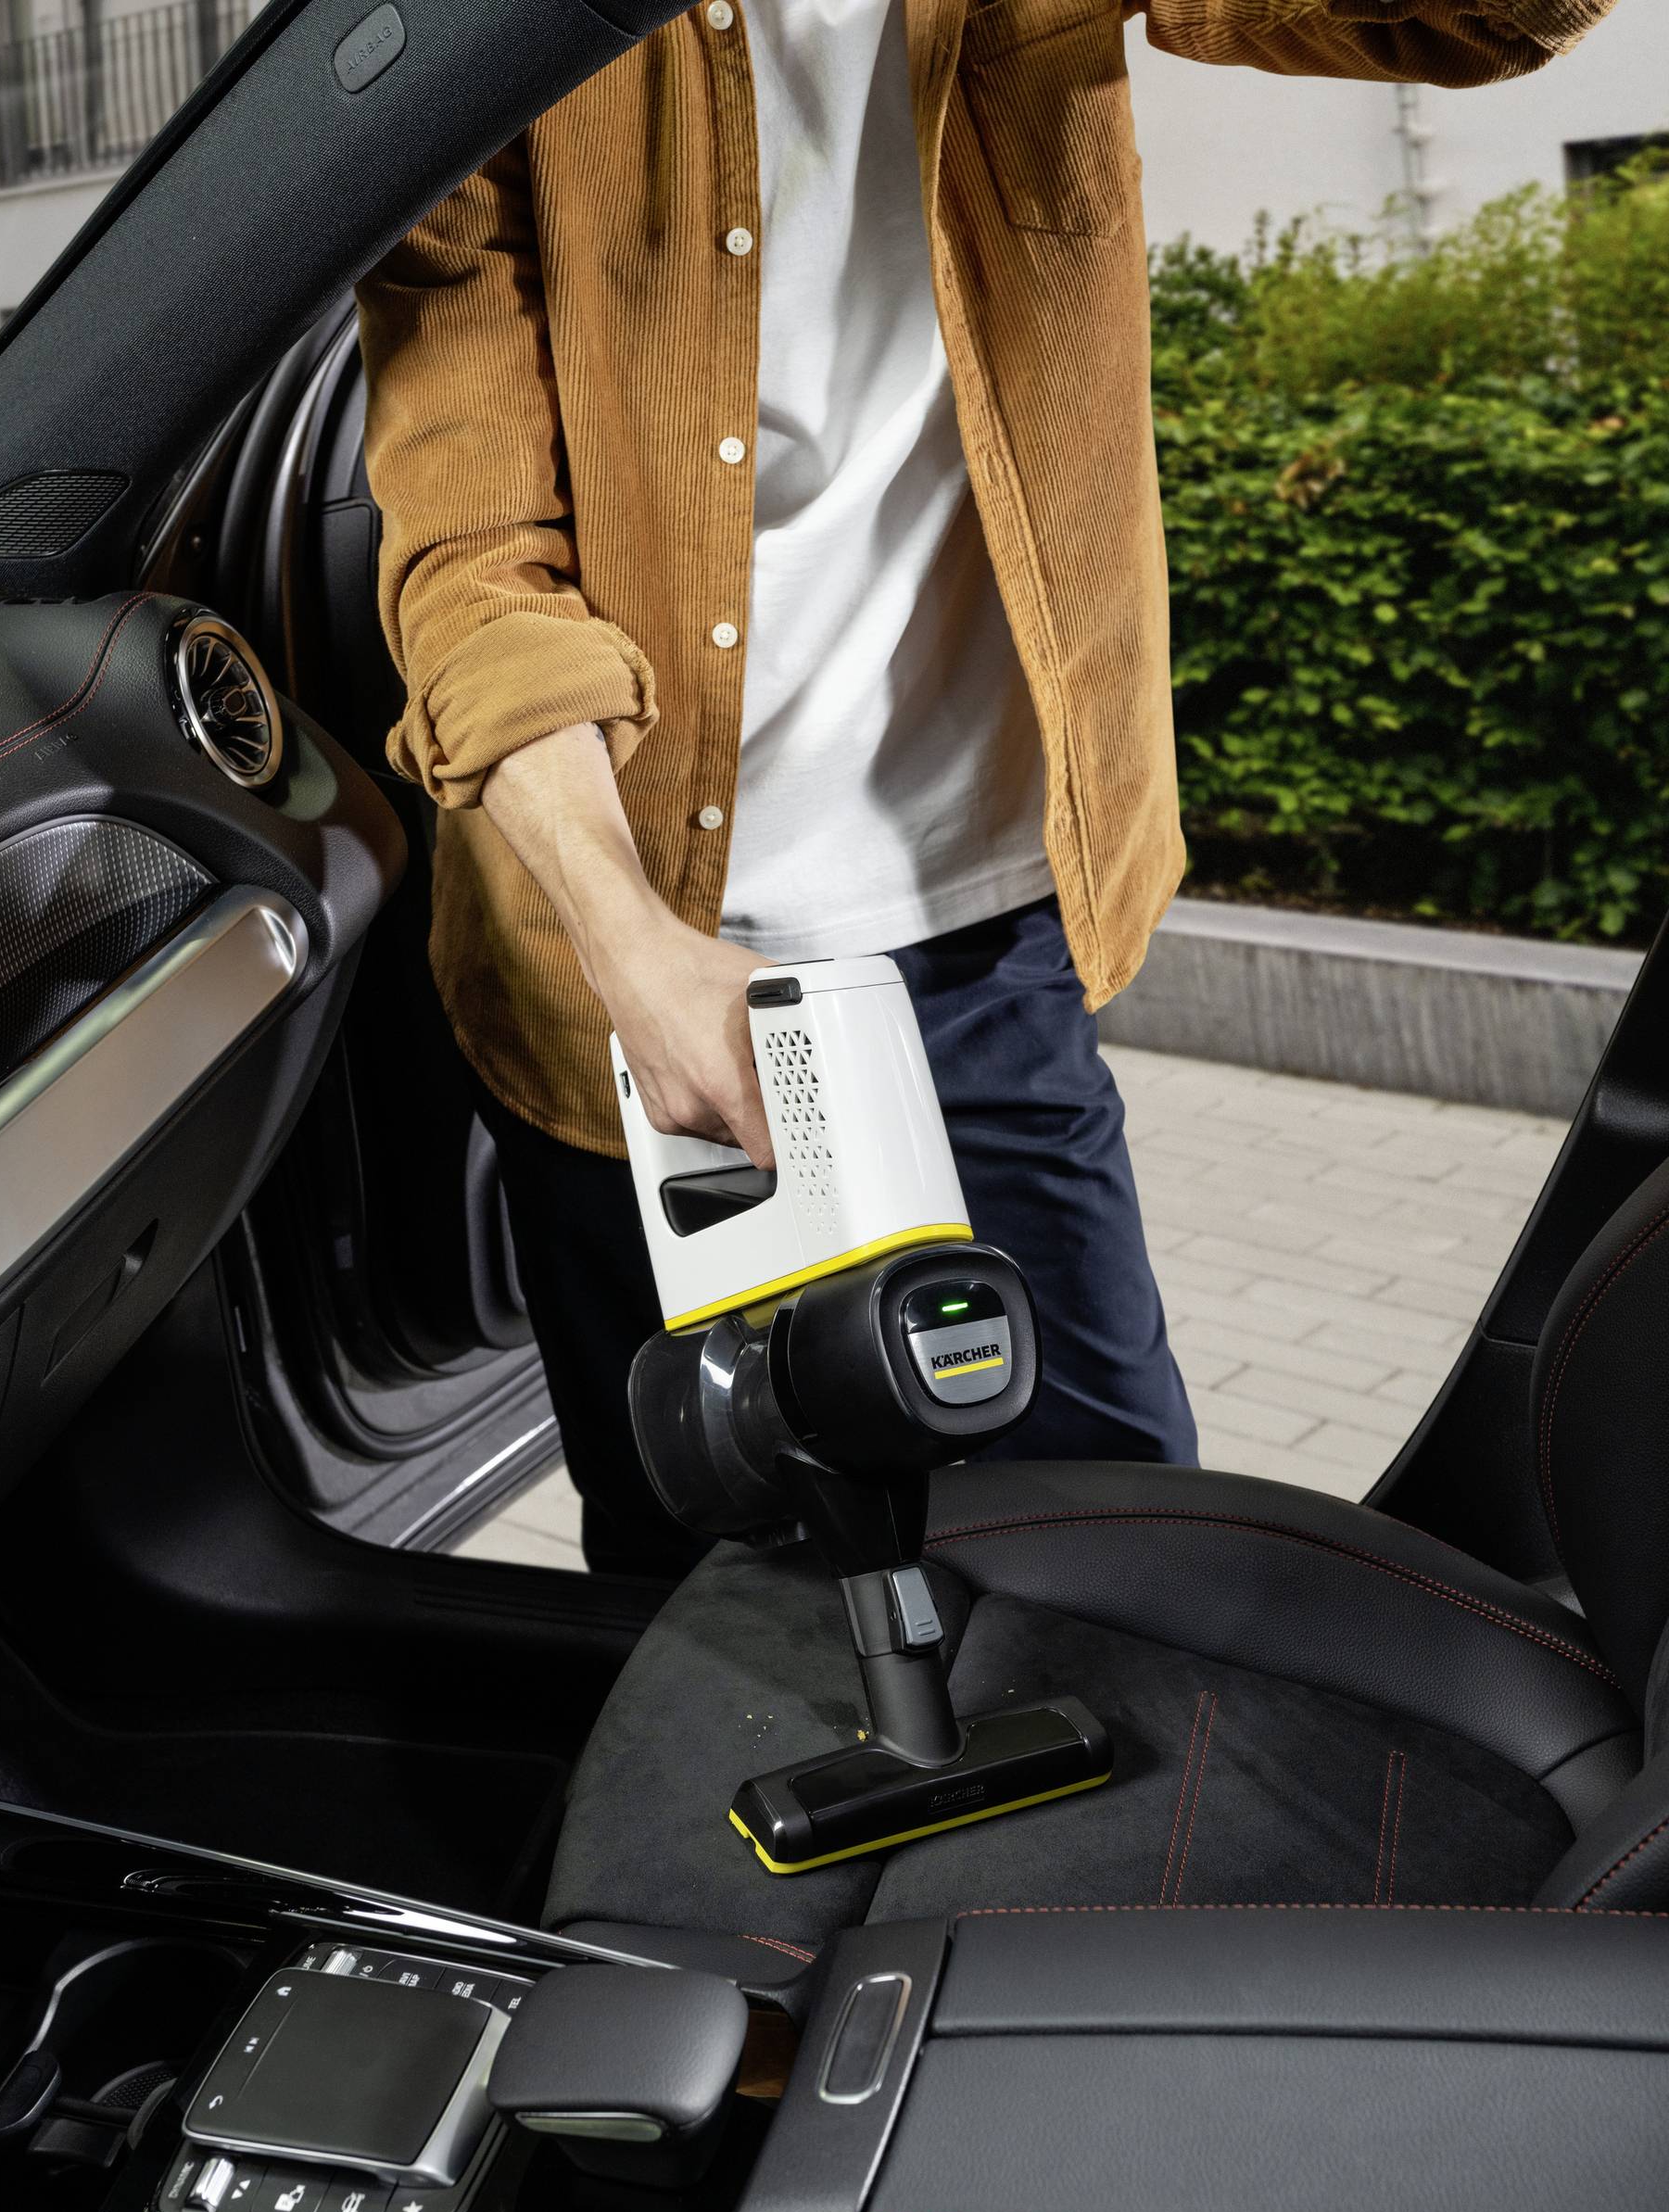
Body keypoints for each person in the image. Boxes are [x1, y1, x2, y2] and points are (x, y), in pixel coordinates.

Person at [357, 0, 1617, 1578]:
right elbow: (473, 564)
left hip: (986, 932)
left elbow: (1465, 19)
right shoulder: (491, 43)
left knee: (1131, 1553)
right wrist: (630, 952)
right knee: (706, 1604)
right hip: (629, 969)